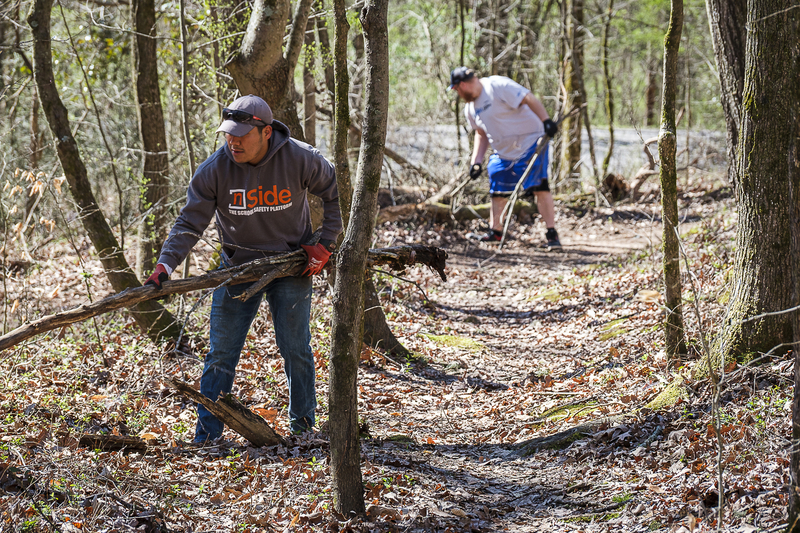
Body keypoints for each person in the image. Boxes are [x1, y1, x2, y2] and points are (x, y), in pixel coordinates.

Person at [145, 94, 342, 440]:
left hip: (291, 265)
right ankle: (207, 437)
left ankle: (304, 430)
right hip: (237, 268)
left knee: (296, 348)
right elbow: (189, 225)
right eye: (228, 135)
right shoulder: (214, 170)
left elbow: (333, 193)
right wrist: (165, 265)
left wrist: (324, 244)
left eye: (241, 135)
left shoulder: (300, 158)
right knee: (220, 353)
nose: (233, 142)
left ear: (265, 132)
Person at [449, 67, 561, 247]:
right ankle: (496, 232)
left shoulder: (496, 86)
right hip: (503, 153)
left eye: (457, 90)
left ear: (462, 85)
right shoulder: (470, 109)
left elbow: (528, 98)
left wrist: (546, 121)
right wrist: (476, 162)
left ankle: (551, 234)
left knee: (540, 187)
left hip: (531, 143)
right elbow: (481, 133)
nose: (458, 94)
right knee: (497, 187)